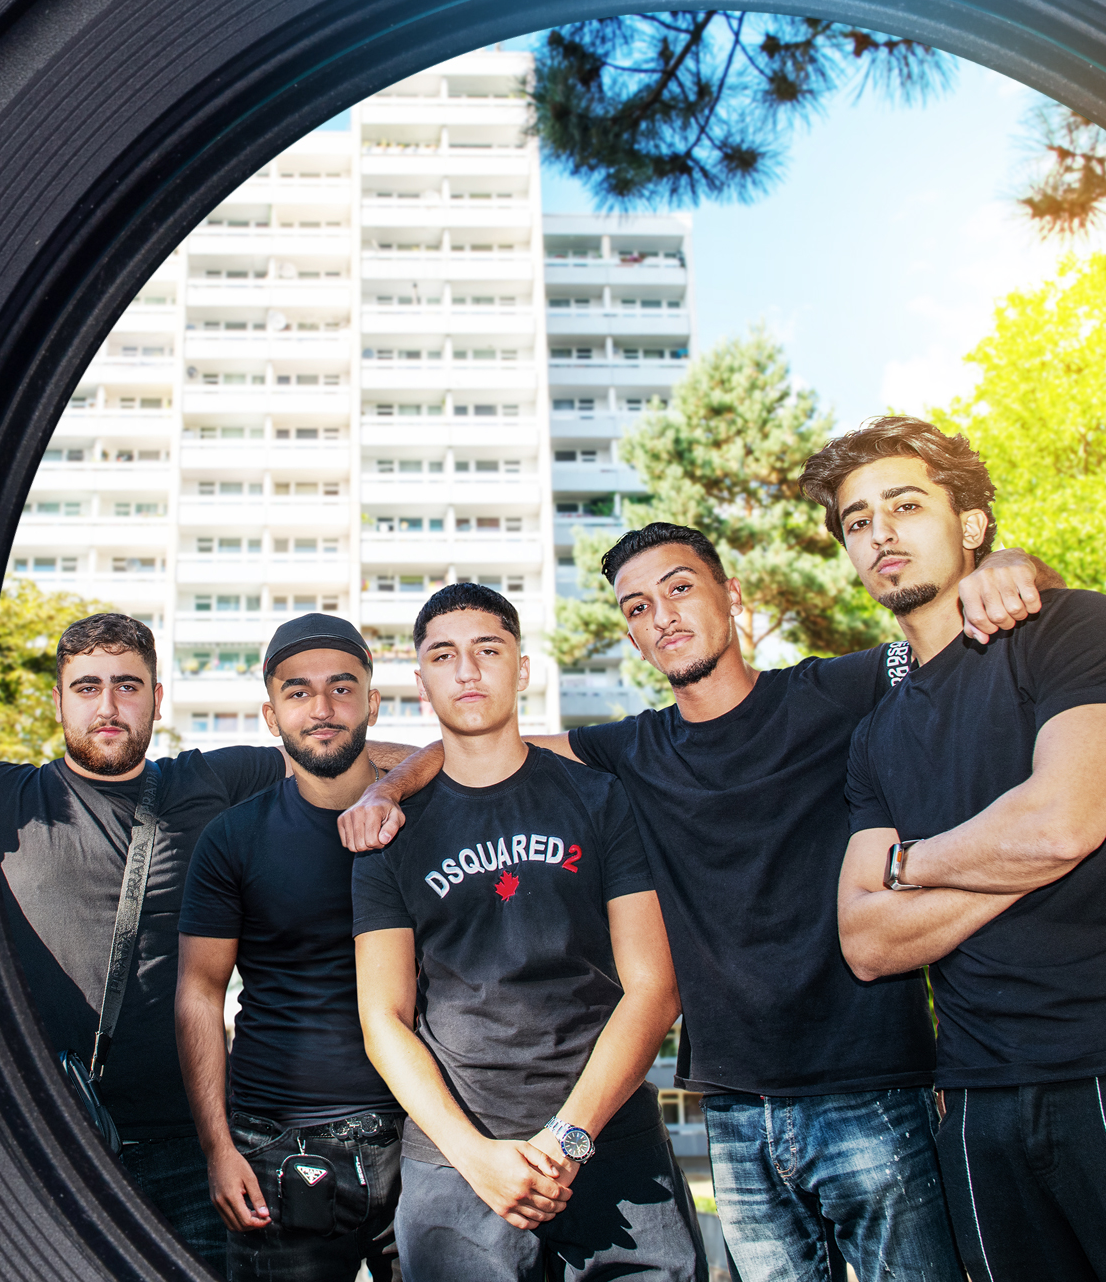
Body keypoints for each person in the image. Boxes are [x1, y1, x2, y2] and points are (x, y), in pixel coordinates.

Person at [339, 532, 1058, 1282]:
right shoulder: (633, 751)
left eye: (681, 588)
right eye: (639, 606)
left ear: (732, 594)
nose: (664, 616)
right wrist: (385, 789)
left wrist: (1013, 566)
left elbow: (953, 642)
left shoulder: (837, 692)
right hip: (735, 1109)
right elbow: (480, 743)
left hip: (869, 1088)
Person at [0, 612, 409, 1274]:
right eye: (87, 686)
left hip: (192, 1145)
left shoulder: (212, 782)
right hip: (43, 1139)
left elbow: (348, 747)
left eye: (128, 686)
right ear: (59, 700)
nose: (108, 705)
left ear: (158, 698)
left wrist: (395, 789)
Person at [802, 416, 1106, 1282]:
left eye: (905, 505)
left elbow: (1063, 823)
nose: (880, 533)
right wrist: (1028, 849)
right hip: (974, 1101)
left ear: (972, 525)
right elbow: (867, 941)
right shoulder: (877, 735)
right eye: (857, 522)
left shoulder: (1071, 631)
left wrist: (910, 864)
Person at [352, 583, 707, 1282]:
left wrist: (568, 1140)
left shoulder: (600, 799)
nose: (468, 670)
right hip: (456, 1161)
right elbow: (382, 1017)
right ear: (421, 681)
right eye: (443, 655)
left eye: (489, 649)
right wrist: (475, 1157)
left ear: (522, 668)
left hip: (609, 1141)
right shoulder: (388, 831)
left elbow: (655, 988)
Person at [176, 614, 403, 1282]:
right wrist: (218, 1147)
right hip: (275, 1148)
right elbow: (199, 993)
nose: (323, 708)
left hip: (424, 1140)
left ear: (373, 702)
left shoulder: (424, 818)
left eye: (342, 688)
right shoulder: (233, 838)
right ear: (271, 714)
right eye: (298, 693)